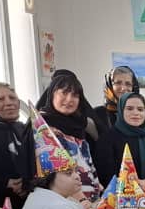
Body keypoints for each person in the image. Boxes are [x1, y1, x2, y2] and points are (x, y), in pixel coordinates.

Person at [27, 71, 102, 201]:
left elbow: (88, 164)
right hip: (64, 201)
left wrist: (97, 187)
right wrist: (80, 199)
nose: (69, 99)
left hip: (89, 200)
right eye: (64, 93)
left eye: (75, 95)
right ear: (52, 94)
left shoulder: (79, 126)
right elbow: (50, 174)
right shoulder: (42, 126)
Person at [94, 92, 145, 187]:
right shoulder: (107, 139)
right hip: (120, 194)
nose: (136, 113)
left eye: (140, 109)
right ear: (121, 110)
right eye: (129, 108)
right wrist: (136, 185)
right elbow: (105, 176)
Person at [92, 66, 145, 140]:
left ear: (133, 87)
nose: (123, 88)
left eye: (128, 84)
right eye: (118, 83)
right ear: (109, 85)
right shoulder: (98, 114)